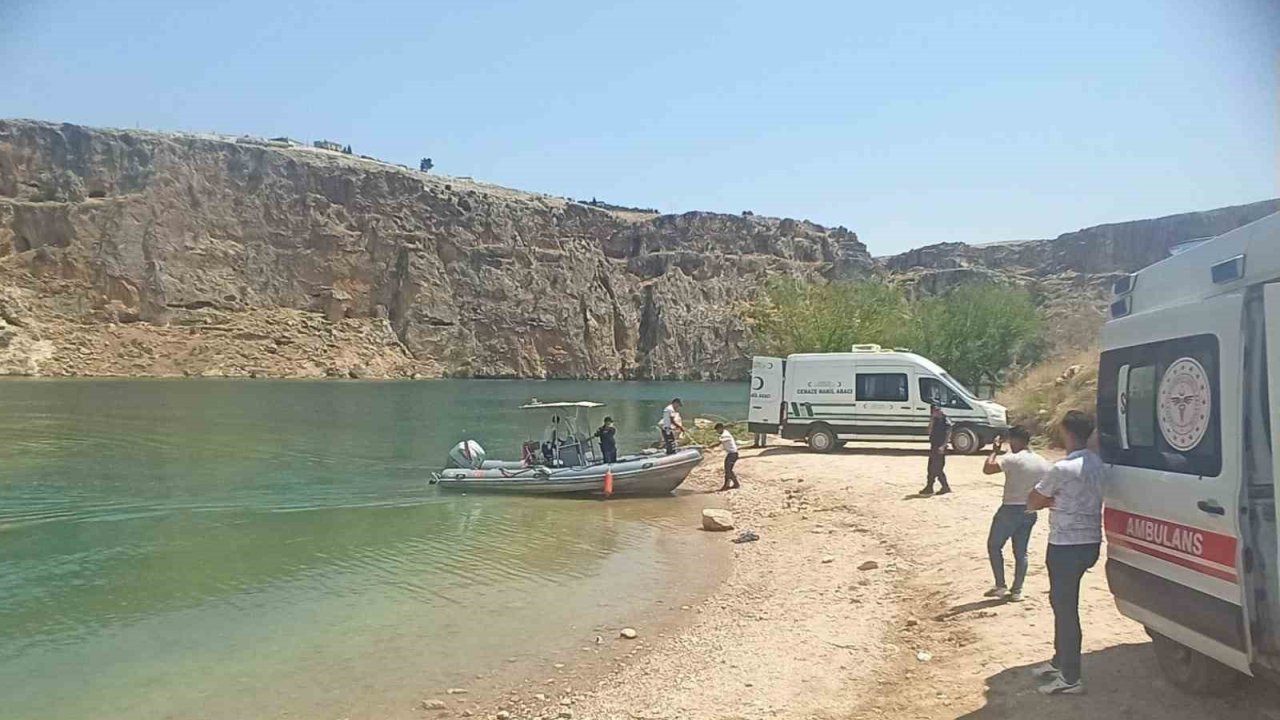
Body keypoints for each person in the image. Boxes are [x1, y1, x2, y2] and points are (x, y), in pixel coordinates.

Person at [1026, 410, 1104, 696]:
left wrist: (1049, 500)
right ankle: (1060, 662)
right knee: (1062, 604)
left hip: (1065, 545)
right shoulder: (1099, 464)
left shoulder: (1061, 469)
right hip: (1091, 542)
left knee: (1065, 609)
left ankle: (1070, 677)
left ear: (1066, 433)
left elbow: (1033, 501)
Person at [981, 425, 1050, 602]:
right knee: (1021, 552)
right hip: (1030, 509)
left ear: (1016, 440)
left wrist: (994, 451)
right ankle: (1017, 590)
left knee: (994, 545)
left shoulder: (1013, 459)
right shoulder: (1042, 461)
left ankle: (1001, 585)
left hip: (1010, 508)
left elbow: (988, 469)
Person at [920, 403, 952, 495]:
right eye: (934, 411)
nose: (936, 412)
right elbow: (929, 432)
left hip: (941, 447)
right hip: (934, 446)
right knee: (930, 468)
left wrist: (943, 446)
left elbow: (948, 434)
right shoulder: (935, 420)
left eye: (937, 410)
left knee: (937, 468)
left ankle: (945, 487)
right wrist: (932, 419)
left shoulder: (945, 420)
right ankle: (929, 487)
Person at [715, 422, 740, 491]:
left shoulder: (725, 435)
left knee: (728, 470)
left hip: (733, 454)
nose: (717, 432)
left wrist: (708, 447)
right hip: (731, 454)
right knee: (728, 470)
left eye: (717, 430)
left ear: (721, 428)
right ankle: (732, 484)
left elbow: (718, 443)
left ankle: (730, 485)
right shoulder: (725, 433)